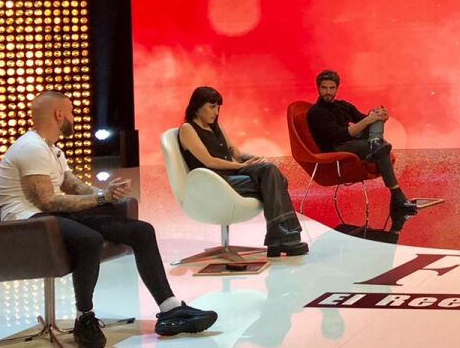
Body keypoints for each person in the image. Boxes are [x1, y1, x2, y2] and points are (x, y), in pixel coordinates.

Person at [0, 91, 217, 348]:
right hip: (27, 221)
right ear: (59, 114)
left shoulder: (51, 148)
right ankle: (84, 317)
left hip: (49, 217)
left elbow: (71, 185)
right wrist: (100, 199)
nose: (74, 118)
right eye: (71, 112)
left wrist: (105, 193)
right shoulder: (30, 148)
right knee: (89, 239)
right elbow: (47, 202)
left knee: (141, 231)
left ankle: (170, 308)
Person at [178, 87, 309, 256]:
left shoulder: (216, 127)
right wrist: (240, 166)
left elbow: (237, 154)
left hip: (230, 176)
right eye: (212, 107)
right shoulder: (188, 129)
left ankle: (280, 236)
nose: (216, 112)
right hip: (213, 182)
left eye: (218, 107)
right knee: (275, 181)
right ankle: (281, 236)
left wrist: (255, 159)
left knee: (270, 171)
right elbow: (209, 161)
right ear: (197, 107)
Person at [304, 70, 417, 229]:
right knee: (382, 146)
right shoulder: (317, 112)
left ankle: (374, 147)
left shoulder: (342, 105)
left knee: (375, 115)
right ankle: (396, 195)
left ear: (337, 88)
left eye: (331, 88)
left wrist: (380, 116)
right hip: (337, 148)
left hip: (353, 141)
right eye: (324, 88)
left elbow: (364, 119)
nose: (328, 92)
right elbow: (340, 135)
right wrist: (369, 120)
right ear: (318, 88)